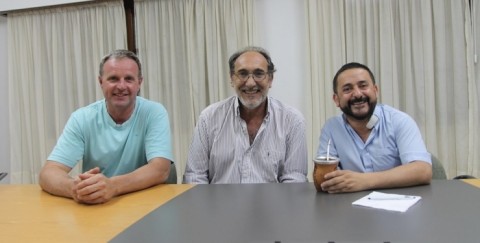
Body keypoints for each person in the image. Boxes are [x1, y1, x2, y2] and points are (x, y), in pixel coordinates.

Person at [39, 49, 174, 204]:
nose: (121, 86)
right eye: (113, 79)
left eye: (129, 79)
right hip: (99, 207)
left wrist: (113, 186)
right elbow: (48, 172)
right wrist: (75, 188)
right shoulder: (82, 118)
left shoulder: (154, 112)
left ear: (139, 83)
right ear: (101, 82)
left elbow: (160, 170)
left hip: (145, 206)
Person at [183, 46, 308, 184]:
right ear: (232, 78)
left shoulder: (292, 121)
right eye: (242, 74)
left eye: (259, 74)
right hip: (219, 205)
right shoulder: (208, 118)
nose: (250, 83)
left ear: (270, 79)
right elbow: (194, 177)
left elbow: (294, 180)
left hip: (273, 205)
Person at [316, 62, 432, 193]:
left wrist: (364, 181)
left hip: (399, 206)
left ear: (375, 91)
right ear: (336, 99)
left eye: (363, 86)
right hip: (351, 208)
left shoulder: (400, 121)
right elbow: (325, 177)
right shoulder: (331, 128)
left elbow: (422, 170)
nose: (358, 94)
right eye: (347, 89)